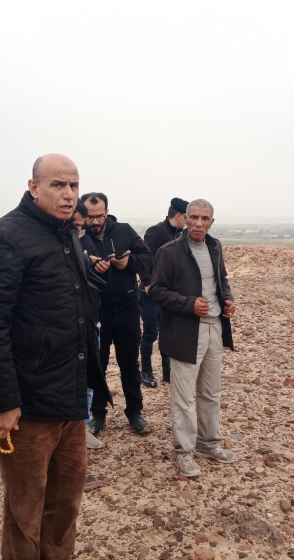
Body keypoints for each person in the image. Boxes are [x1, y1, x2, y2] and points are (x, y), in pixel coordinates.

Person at [0, 154, 111, 560]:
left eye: (74, 185)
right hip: (29, 406)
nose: (69, 194)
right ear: (33, 187)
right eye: (58, 184)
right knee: (25, 513)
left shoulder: (66, 234)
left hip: (70, 397)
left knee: (65, 506)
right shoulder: (6, 237)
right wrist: (2, 403)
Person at [149, 198, 238, 478]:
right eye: (194, 217)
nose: (199, 223)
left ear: (212, 222)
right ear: (185, 218)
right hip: (185, 331)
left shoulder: (215, 246)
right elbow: (156, 290)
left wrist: (228, 299)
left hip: (215, 328)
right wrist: (189, 304)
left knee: (211, 392)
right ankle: (184, 451)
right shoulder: (169, 251)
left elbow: (221, 280)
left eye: (205, 218)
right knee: (183, 395)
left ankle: (208, 444)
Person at [82, 192, 152, 436]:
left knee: (130, 365)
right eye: (89, 217)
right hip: (95, 314)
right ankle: (97, 415)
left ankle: (135, 412)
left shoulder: (124, 230)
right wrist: (89, 266)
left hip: (127, 310)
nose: (94, 221)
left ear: (107, 212)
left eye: (99, 216)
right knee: (96, 367)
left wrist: (127, 264)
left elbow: (148, 258)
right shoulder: (77, 236)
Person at [137, 197, 189, 386]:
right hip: (151, 292)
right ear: (179, 215)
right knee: (150, 332)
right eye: (187, 217)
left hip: (169, 293)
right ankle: (146, 372)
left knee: (168, 331)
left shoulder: (182, 234)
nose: (189, 221)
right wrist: (147, 283)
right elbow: (144, 258)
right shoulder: (156, 231)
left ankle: (168, 372)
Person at [72, 200, 105, 450]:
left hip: (91, 319)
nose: (79, 230)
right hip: (65, 325)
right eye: (75, 225)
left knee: (89, 375)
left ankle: (83, 427)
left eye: (79, 226)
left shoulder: (87, 241)